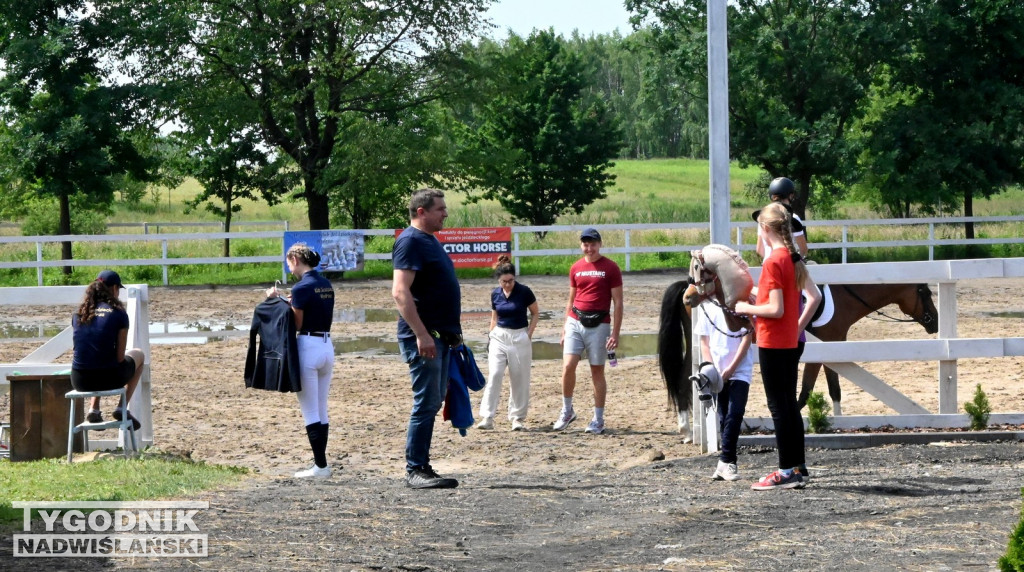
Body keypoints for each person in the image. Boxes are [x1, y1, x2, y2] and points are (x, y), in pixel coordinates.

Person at [735, 202, 811, 490]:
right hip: (788, 340)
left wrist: (746, 307)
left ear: (765, 229)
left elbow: (775, 309)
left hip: (774, 341)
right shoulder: (790, 258)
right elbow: (776, 298)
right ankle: (797, 467)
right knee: (788, 405)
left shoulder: (773, 260)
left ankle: (785, 470)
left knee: (779, 407)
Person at [392, 188, 462, 489]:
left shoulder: (429, 240)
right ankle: (415, 469)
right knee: (425, 402)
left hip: (440, 336)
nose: (445, 213)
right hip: (424, 337)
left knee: (433, 400)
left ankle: (422, 465)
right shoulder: (410, 241)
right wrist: (422, 334)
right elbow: (400, 292)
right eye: (440, 209)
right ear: (422, 211)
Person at [267, 243, 335, 478]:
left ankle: (321, 466)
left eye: (289, 262)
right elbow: (310, 306)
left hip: (308, 347)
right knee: (321, 409)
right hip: (327, 347)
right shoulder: (325, 284)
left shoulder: (301, 288)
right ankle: (322, 463)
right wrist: (287, 299)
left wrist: (277, 301)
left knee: (310, 411)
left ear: (295, 259)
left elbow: (297, 323)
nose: (289, 267)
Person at [553, 228, 623, 435]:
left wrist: (615, 334)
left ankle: (598, 419)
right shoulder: (576, 268)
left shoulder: (610, 268)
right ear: (581, 245)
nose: (589, 248)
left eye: (593, 244)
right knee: (568, 366)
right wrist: (565, 327)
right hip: (575, 320)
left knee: (596, 371)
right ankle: (567, 411)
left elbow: (618, 303)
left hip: (599, 324)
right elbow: (571, 299)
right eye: (585, 244)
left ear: (599, 244)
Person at [71, 270, 145, 431]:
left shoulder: (79, 313)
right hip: (109, 378)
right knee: (139, 355)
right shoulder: (118, 313)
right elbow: (119, 358)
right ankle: (121, 407)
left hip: (79, 380)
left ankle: (94, 409)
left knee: (94, 356)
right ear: (113, 289)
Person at [477, 255, 539, 432]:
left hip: (519, 336)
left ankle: (517, 418)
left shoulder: (525, 291)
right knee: (495, 375)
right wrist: (490, 336)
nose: (507, 284)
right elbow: (494, 316)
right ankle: (487, 416)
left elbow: (535, 312)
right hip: (499, 336)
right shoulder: (495, 293)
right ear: (499, 280)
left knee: (519, 378)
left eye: (511, 281)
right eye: (504, 281)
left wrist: (529, 334)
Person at [695, 300, 754, 481]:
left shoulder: (741, 305)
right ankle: (726, 462)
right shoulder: (706, 307)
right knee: (723, 415)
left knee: (735, 413)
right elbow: (704, 342)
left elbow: (747, 337)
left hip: (740, 372)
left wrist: (732, 367)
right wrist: (712, 368)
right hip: (718, 372)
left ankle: (727, 461)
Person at [755, 177, 808, 259]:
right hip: (787, 264)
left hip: (768, 263)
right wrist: (797, 261)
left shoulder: (763, 218)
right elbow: (803, 249)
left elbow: (759, 249)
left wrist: (768, 259)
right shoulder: (793, 218)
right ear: (791, 196)